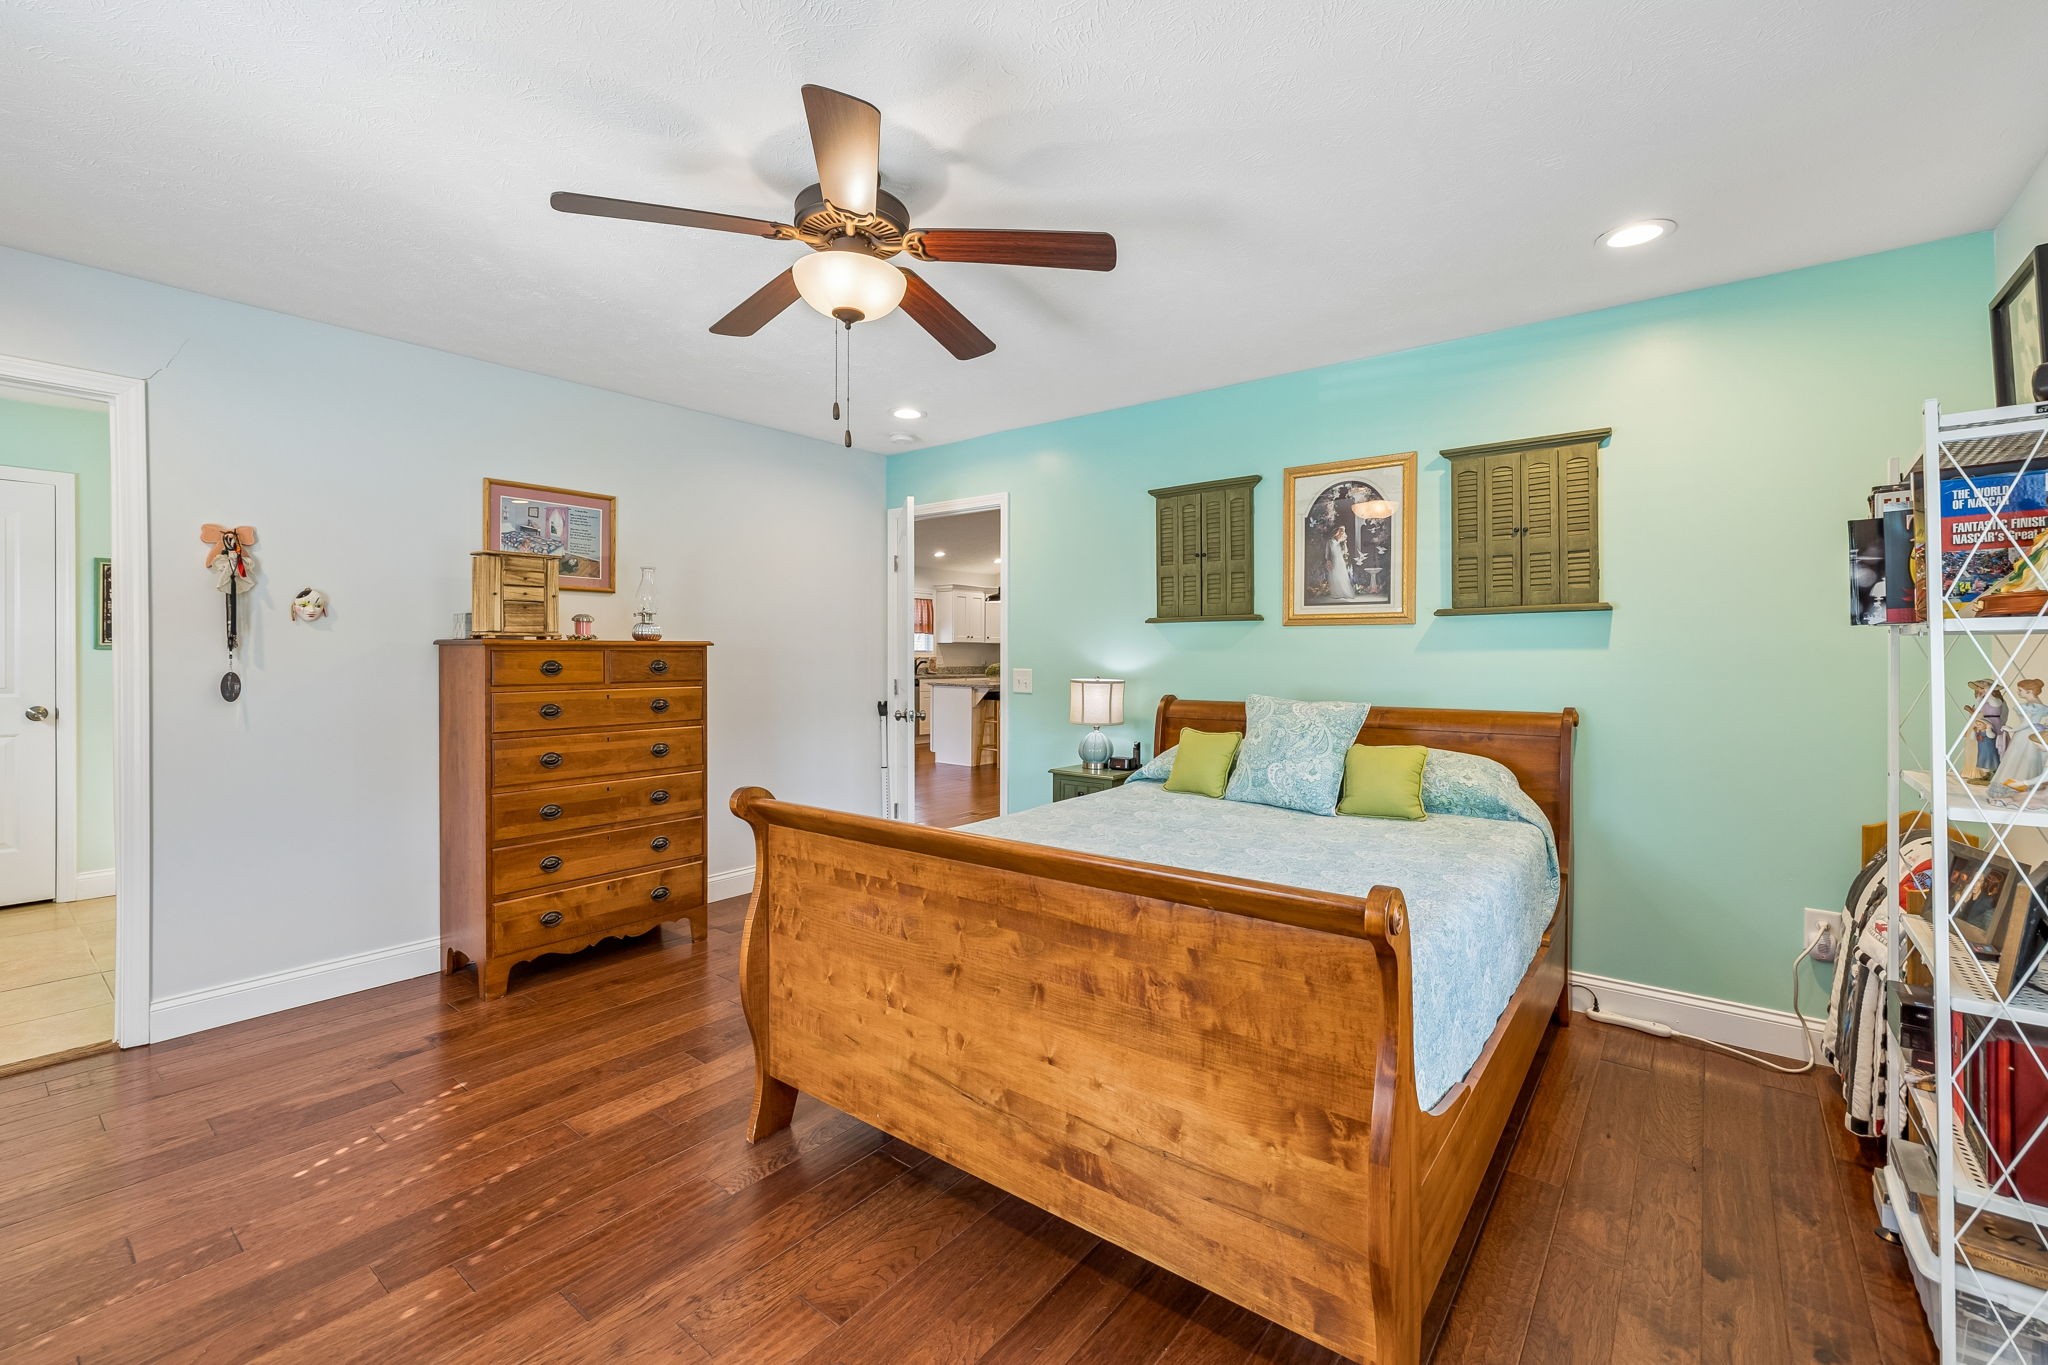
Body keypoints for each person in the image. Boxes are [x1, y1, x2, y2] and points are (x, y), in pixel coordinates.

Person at [1323, 525, 1359, 601]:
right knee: (1334, 576)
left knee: (1342, 575)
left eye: (1342, 531)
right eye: (1340, 531)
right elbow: (1327, 552)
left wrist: (1344, 543)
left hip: (1340, 560)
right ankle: (1336, 593)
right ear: (1336, 531)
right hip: (1333, 560)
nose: (1341, 532)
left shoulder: (1342, 541)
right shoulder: (1330, 541)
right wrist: (1328, 560)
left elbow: (1345, 551)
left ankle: (1344, 593)